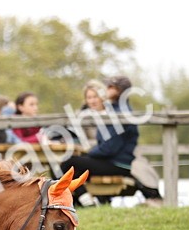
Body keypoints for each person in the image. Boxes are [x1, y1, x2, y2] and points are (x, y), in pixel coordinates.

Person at [61, 75, 161, 205]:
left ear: (120, 90)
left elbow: (109, 148)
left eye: (109, 87)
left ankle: (85, 202)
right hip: (113, 161)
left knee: (68, 163)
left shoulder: (121, 113)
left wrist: (88, 152)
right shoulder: (115, 110)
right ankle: (83, 201)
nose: (105, 90)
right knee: (74, 167)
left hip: (118, 164)